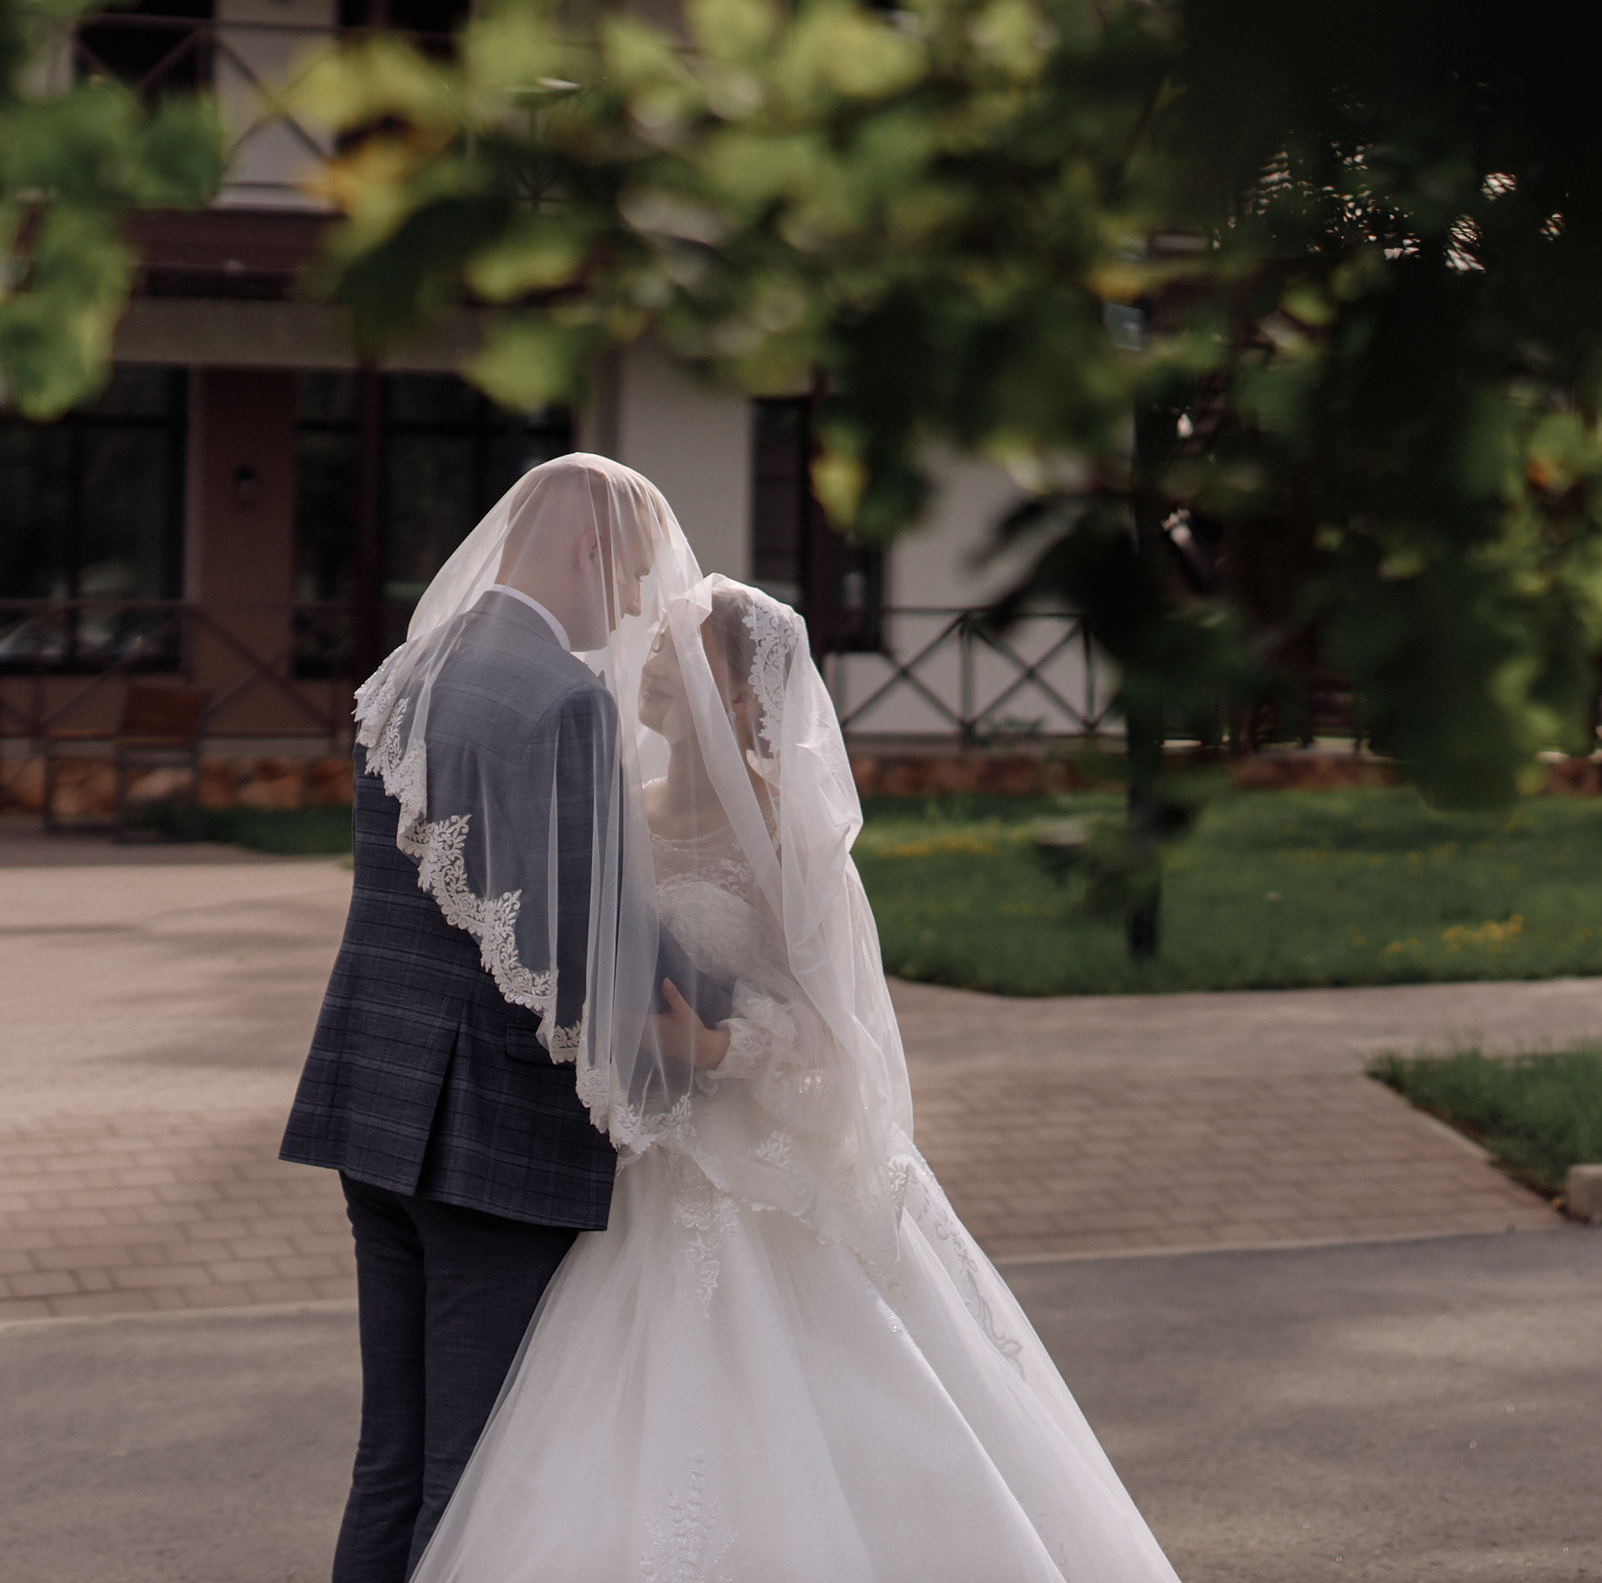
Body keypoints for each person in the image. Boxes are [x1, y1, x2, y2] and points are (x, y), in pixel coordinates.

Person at [406, 573, 1184, 1583]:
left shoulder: (789, 836)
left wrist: (720, 1048)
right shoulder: (622, 817)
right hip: (648, 1162)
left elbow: (839, 1036)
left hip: (762, 1158)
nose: (648, 657)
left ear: (736, 698)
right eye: (653, 646)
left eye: (676, 651)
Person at [280, 454, 717, 1583]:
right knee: (470, 1472)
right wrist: (731, 1009)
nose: (631, 608)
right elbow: (592, 940)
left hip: (372, 1104)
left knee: (392, 1455)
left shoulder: (405, 671)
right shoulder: (565, 702)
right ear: (588, 551)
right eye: (631, 581)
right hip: (489, 1132)